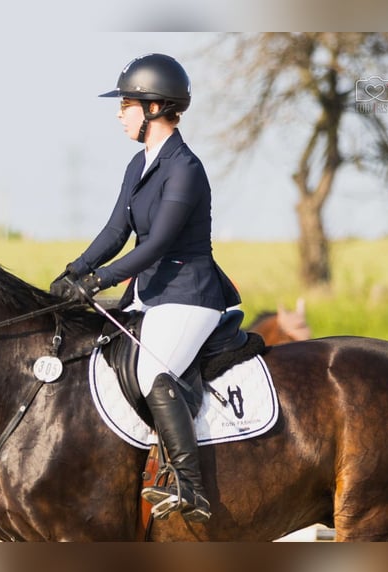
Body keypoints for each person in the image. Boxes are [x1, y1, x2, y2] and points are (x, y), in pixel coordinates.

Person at [50, 53, 240, 522]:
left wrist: (98, 281)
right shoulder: (140, 164)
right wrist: (74, 271)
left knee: (155, 373)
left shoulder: (185, 169)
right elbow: (117, 231)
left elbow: (156, 245)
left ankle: (189, 485)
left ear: (154, 108)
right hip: (149, 295)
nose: (119, 113)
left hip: (188, 296)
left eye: (126, 104)